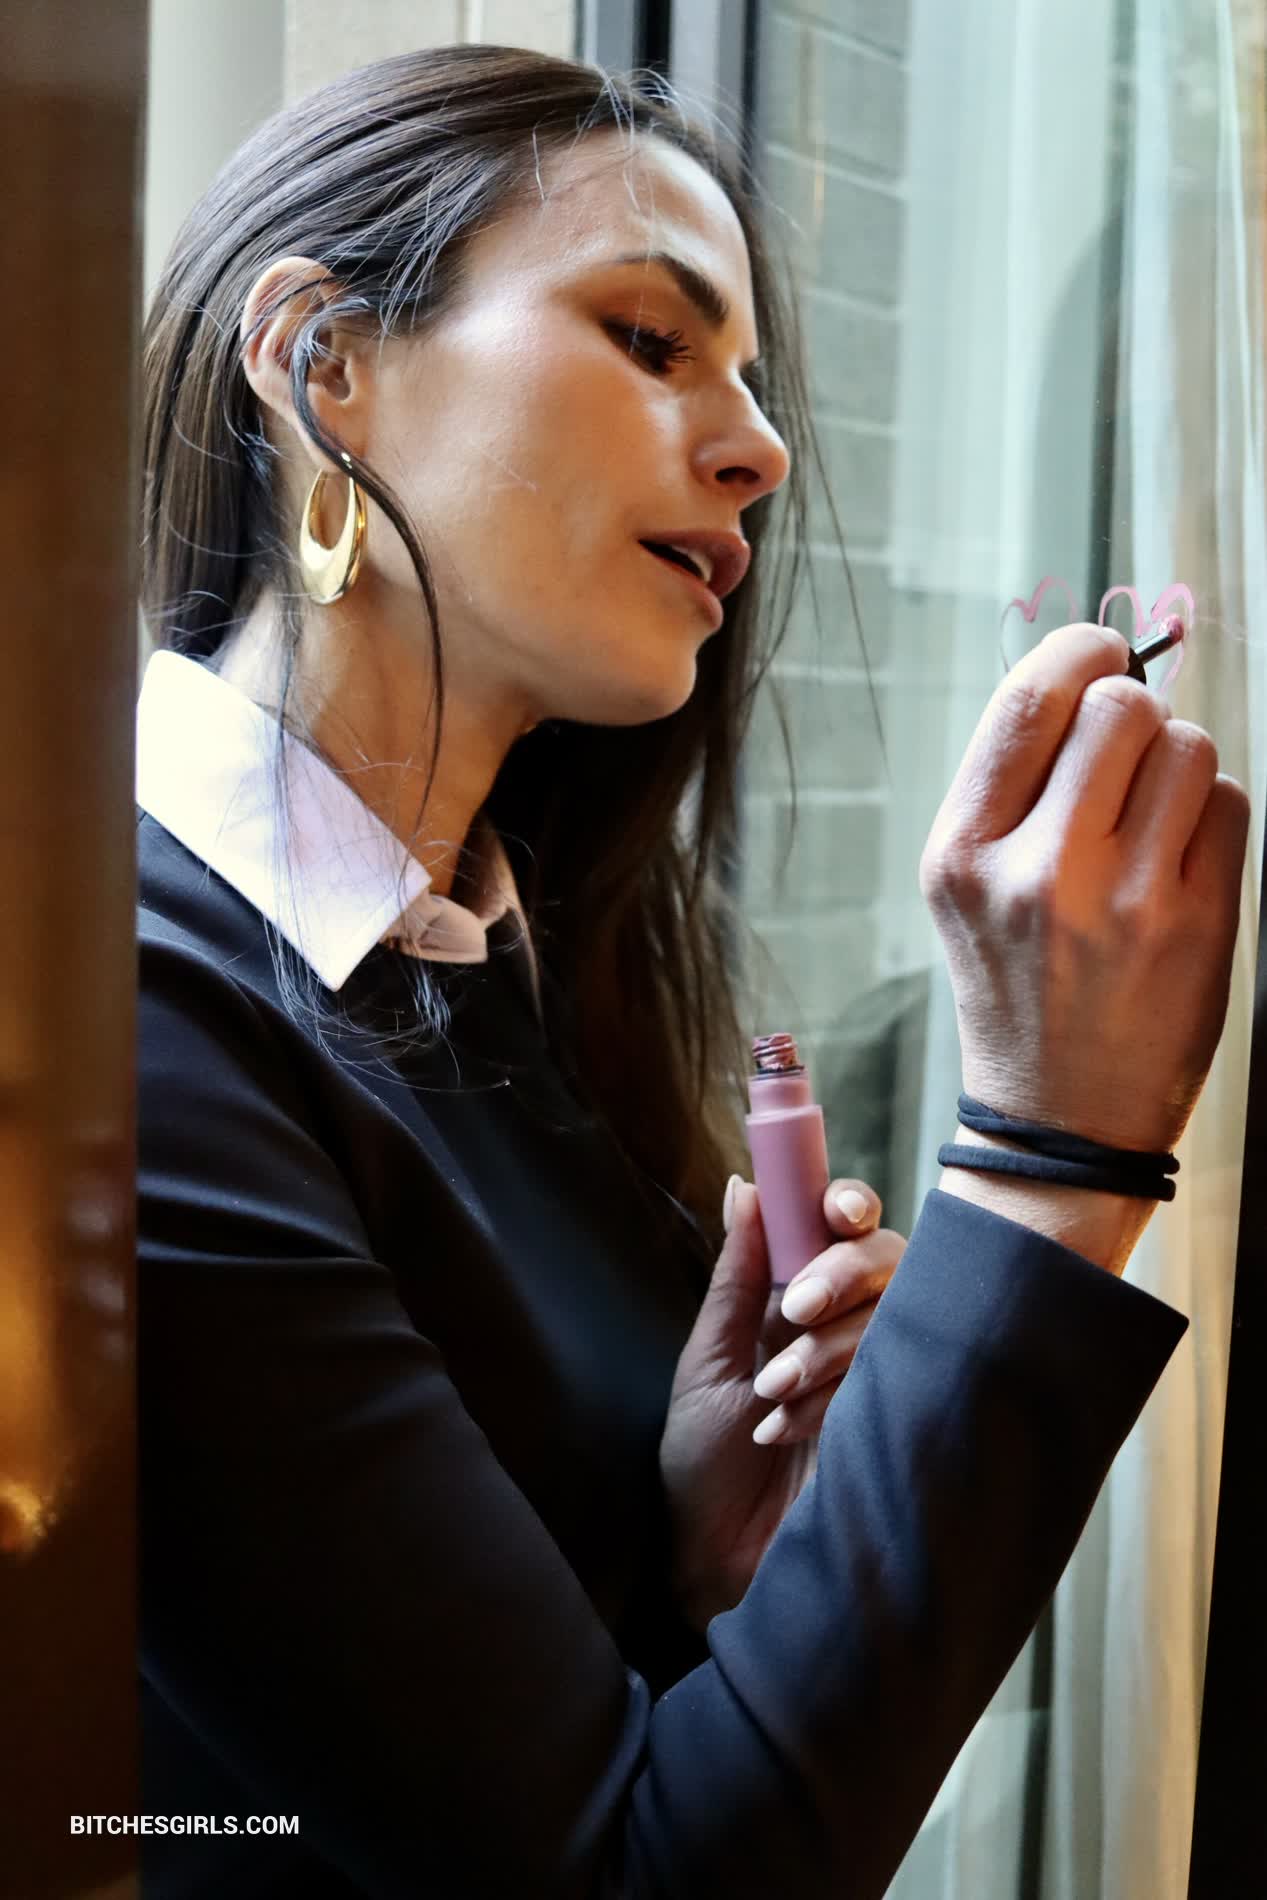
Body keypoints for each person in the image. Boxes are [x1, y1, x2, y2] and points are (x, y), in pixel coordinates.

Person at [134, 44, 1250, 1900]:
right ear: (323, 362)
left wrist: (699, 1565)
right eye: (651, 340)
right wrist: (1051, 1161)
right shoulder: (130, 1031)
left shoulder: (498, 983)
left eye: (748, 380)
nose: (761, 449)